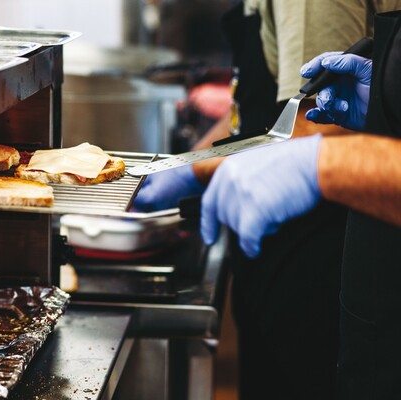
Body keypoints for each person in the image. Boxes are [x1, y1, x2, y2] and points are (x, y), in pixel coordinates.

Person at [134, 1, 401, 399]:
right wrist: (189, 163)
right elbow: (255, 114)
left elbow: (310, 131)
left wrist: (320, 163)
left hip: (319, 260)